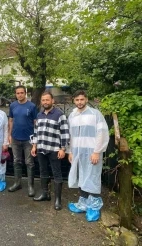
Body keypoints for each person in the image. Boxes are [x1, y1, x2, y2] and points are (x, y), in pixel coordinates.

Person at [67, 90, 109, 221]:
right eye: (77, 100)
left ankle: (94, 207)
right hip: (78, 153)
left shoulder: (95, 114)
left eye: (82, 99)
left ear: (86, 99)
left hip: (92, 153)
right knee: (82, 177)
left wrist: (97, 151)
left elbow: (102, 132)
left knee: (93, 178)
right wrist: (70, 151)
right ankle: (83, 204)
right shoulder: (72, 116)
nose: (79, 102)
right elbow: (70, 135)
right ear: (74, 101)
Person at [31, 91, 69, 210]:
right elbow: (36, 132)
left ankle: (58, 199)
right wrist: (34, 146)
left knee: (56, 173)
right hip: (41, 148)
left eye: (47, 100)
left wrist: (63, 149)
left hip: (54, 149)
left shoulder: (59, 115)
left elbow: (65, 133)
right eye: (43, 100)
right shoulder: (39, 115)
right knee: (43, 172)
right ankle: (45, 194)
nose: (45, 102)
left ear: (53, 101)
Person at [8, 85, 38, 196]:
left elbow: (36, 123)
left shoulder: (32, 106)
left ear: (25, 93)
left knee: (29, 162)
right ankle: (17, 183)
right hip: (16, 138)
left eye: (21, 93)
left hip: (28, 140)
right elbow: (11, 120)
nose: (20, 95)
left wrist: (35, 140)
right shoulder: (13, 106)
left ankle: (30, 186)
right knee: (16, 161)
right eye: (17, 93)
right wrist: (9, 135)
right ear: (15, 94)